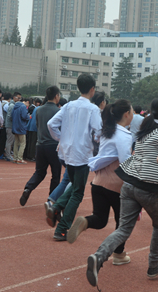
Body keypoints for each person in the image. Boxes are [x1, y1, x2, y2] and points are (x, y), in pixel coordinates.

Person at [86, 98, 158, 288]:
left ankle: (98, 256)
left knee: (123, 228)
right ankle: (154, 264)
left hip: (129, 184)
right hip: (148, 187)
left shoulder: (144, 130)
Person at [68, 100, 133, 270]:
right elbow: (125, 162)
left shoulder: (107, 132)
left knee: (100, 219)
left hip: (98, 183)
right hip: (116, 185)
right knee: (122, 224)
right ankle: (119, 254)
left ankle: (85, 221)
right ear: (126, 114)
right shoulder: (125, 135)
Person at [46, 74, 102, 242]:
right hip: (83, 153)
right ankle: (62, 228)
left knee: (74, 184)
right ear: (92, 90)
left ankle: (57, 207)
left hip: (67, 152)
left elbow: (51, 124)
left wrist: (61, 138)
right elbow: (98, 132)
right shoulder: (93, 109)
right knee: (78, 192)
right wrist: (95, 141)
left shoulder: (68, 105)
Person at [20, 87, 62, 206]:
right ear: (56, 96)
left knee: (39, 172)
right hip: (53, 146)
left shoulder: (38, 110)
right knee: (56, 174)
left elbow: (38, 125)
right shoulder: (58, 111)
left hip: (40, 145)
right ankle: (51, 200)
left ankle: (28, 188)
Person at [12, 98, 30, 164]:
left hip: (15, 126)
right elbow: (24, 116)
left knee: (16, 143)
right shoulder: (23, 107)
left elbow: (11, 115)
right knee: (22, 143)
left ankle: (15, 157)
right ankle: (19, 158)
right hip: (21, 127)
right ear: (26, 102)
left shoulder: (15, 106)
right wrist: (28, 116)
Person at [4, 92, 20, 161]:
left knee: (10, 141)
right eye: (18, 98)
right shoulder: (12, 106)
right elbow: (10, 116)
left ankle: (8, 154)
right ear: (14, 97)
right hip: (10, 126)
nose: (19, 99)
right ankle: (8, 155)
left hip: (11, 125)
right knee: (9, 141)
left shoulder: (13, 105)